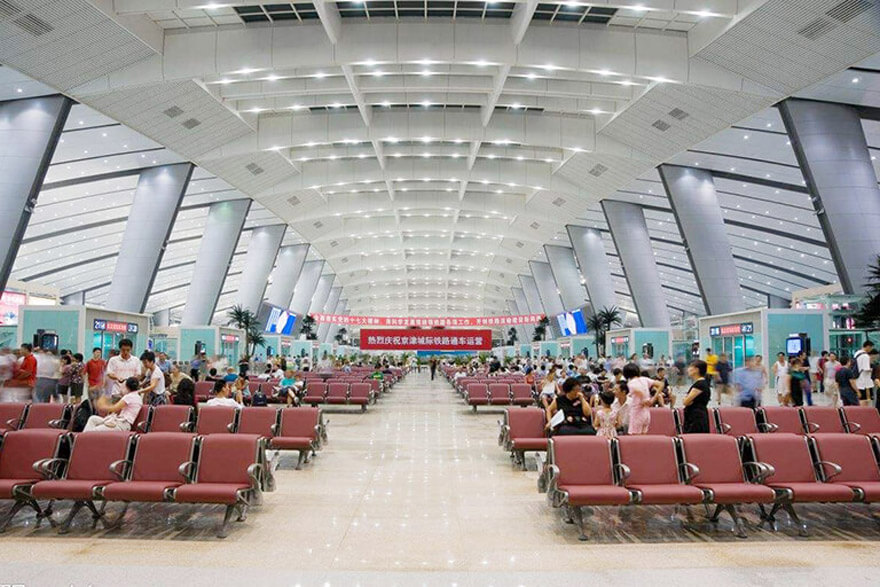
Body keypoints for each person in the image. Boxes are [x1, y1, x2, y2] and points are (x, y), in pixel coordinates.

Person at [623, 362, 662, 435]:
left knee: (635, 440)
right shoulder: (644, 379)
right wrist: (652, 399)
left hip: (637, 413)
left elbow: (638, 391)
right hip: (646, 413)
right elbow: (660, 384)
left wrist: (643, 399)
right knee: (643, 439)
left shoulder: (631, 383)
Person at [682, 360, 711, 433]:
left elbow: (685, 401)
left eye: (690, 367)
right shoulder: (701, 383)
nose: (688, 369)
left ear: (696, 370)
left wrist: (687, 400)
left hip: (696, 418)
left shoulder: (700, 385)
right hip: (695, 416)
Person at [854, 340, 874, 407]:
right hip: (863, 382)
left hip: (857, 379)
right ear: (868, 346)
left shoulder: (857, 353)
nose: (871, 350)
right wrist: (871, 369)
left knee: (859, 399)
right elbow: (866, 369)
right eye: (871, 348)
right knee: (864, 400)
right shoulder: (865, 356)